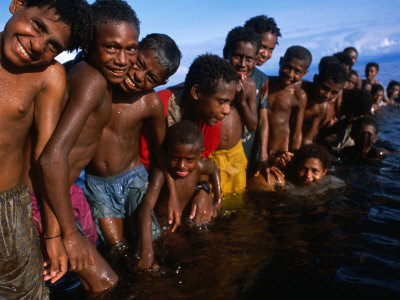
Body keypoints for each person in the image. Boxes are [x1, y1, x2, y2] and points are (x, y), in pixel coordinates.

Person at [39, 0, 140, 293]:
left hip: (59, 192)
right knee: (105, 283)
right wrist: (67, 232)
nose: (122, 59)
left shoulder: (79, 70)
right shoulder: (92, 83)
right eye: (111, 47)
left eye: (130, 48)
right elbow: (51, 157)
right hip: (47, 198)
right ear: (88, 44)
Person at [0, 0, 91, 298]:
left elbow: (44, 156)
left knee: (24, 291)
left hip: (10, 210)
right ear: (17, 5)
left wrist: (54, 233)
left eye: (53, 45)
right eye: (37, 26)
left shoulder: (49, 76)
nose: (38, 45)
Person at [83, 33, 181, 256]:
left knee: (149, 241)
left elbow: (161, 150)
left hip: (135, 180)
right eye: (139, 64)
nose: (138, 76)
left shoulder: (150, 103)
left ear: (162, 83)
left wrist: (172, 193)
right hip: (98, 185)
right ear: (133, 52)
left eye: (151, 78)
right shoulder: (98, 87)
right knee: (117, 249)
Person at [157, 54, 237, 224]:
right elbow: (151, 161)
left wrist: (203, 190)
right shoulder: (161, 106)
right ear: (196, 92)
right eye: (222, 102)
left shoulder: (210, 118)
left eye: (229, 102)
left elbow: (202, 160)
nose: (227, 110)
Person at [137, 120, 222, 270]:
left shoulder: (200, 167)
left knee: (213, 245)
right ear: (166, 152)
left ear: (200, 153)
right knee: (182, 251)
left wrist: (218, 199)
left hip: (185, 220)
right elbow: (146, 208)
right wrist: (147, 251)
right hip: (165, 226)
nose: (181, 166)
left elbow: (214, 170)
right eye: (175, 158)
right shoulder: (162, 173)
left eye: (189, 160)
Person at [211, 26, 258, 194]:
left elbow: (252, 125)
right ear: (227, 53)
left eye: (249, 59)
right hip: (211, 154)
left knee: (235, 200)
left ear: (256, 60)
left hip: (235, 155)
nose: (243, 64)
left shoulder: (250, 86)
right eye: (238, 56)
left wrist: (242, 102)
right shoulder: (215, 81)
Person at [267, 45, 311, 170]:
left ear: (305, 73)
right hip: (259, 149)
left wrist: (293, 155)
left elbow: (297, 131)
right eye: (287, 67)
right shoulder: (265, 83)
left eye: (297, 71)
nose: (290, 74)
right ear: (281, 61)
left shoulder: (299, 95)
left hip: (281, 151)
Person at [302, 63, 347, 145]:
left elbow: (308, 138)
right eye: (324, 88)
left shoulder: (322, 107)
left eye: (334, 93)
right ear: (315, 79)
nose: (327, 95)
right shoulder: (298, 91)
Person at [318, 88, 374, 153]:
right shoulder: (344, 121)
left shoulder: (350, 129)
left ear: (350, 106)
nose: (341, 102)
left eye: (344, 101)